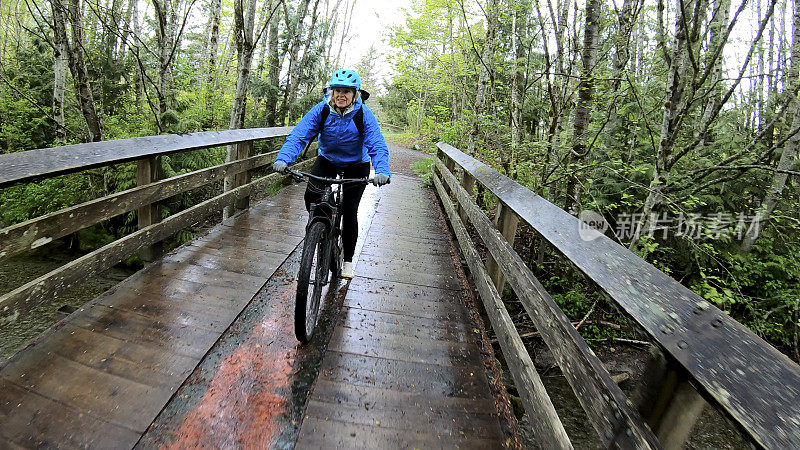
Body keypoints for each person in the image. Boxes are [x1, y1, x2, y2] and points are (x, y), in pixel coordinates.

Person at [272, 69, 391, 279]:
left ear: (355, 94)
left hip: (356, 164)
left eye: (346, 91)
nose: (341, 95)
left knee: (349, 209)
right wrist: (283, 158)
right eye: (337, 90)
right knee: (312, 196)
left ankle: (347, 261)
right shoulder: (322, 110)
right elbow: (299, 135)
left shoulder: (363, 114)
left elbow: (377, 144)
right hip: (327, 159)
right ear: (331, 92)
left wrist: (381, 170)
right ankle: (320, 229)